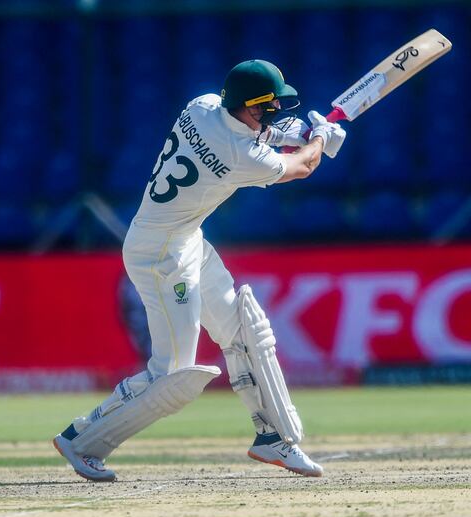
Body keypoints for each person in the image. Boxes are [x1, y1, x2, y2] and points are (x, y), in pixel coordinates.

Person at [53, 59, 346, 482]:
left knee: (246, 330)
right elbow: (301, 166)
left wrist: (290, 132)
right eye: (265, 108)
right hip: (161, 255)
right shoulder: (240, 156)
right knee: (172, 374)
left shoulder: (203, 105)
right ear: (246, 105)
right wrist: (318, 137)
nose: (271, 115)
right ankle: (80, 439)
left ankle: (274, 438)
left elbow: (250, 128)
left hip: (183, 238)